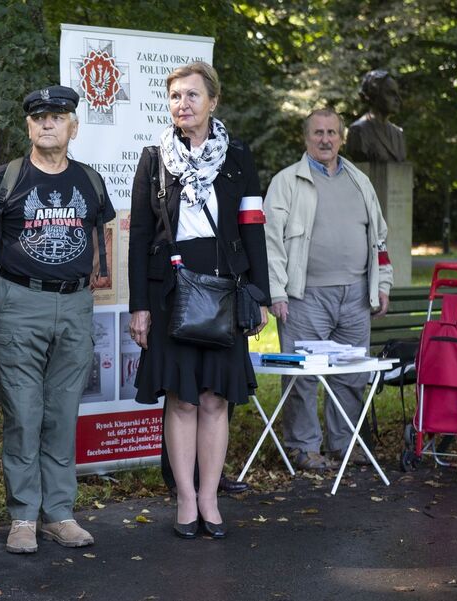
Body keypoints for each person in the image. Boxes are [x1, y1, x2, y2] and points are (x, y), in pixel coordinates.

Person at [128, 62, 270, 540]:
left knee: (215, 399)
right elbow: (139, 237)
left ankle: (210, 497)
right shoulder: (154, 159)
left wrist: (261, 294)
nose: (182, 104)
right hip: (171, 292)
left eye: (191, 96)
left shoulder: (239, 158)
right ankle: (185, 500)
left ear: (213, 101)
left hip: (225, 290)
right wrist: (139, 305)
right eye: (174, 97)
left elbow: (252, 226)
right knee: (182, 399)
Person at [0, 85, 115, 554]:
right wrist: (8, 300)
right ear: (29, 126)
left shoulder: (91, 182)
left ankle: (59, 513)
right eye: (39, 117)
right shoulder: (6, 179)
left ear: (73, 126)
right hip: (20, 303)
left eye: (57, 116)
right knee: (23, 413)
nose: (47, 123)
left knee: (62, 412)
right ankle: (22, 518)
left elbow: (101, 245)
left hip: (74, 306)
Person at [264, 107, 394, 471]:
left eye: (331, 133)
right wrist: (276, 292)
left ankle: (344, 443)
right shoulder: (287, 182)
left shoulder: (360, 181)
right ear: (305, 139)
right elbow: (270, 242)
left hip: (355, 295)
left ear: (341, 137)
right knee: (302, 378)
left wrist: (382, 283)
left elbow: (379, 239)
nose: (325, 139)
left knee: (350, 375)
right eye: (318, 133)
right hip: (305, 297)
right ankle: (303, 448)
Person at [346, 70, 406, 163]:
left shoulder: (398, 134)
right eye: (390, 93)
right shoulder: (358, 130)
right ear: (374, 95)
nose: (398, 99)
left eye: (398, 94)